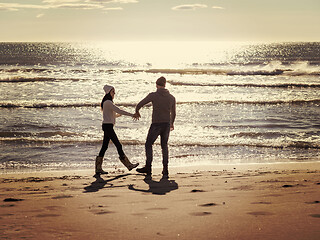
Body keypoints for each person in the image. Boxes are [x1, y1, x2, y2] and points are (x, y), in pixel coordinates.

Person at [134, 76, 176, 178]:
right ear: (165, 85)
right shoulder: (172, 98)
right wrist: (171, 123)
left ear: (157, 85)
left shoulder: (153, 95)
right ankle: (165, 169)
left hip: (156, 124)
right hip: (166, 124)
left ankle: (148, 167)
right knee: (164, 145)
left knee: (148, 144)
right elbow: (174, 113)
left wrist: (137, 111)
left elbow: (140, 104)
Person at [95, 84, 139, 175]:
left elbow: (112, 115)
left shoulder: (107, 102)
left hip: (107, 126)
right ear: (108, 92)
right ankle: (129, 165)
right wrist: (132, 114)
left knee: (104, 147)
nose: (114, 93)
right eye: (113, 91)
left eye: (114, 91)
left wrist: (118, 116)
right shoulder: (108, 102)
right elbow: (119, 110)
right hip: (108, 127)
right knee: (118, 145)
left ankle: (98, 168)